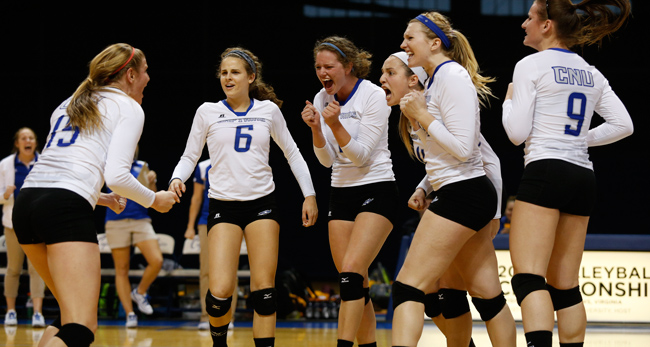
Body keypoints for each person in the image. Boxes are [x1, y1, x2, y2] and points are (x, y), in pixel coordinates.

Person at [11, 43, 178, 347]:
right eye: (145, 71)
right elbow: (117, 176)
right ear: (130, 75)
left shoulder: (69, 102)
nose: (148, 77)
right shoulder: (128, 107)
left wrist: (101, 197)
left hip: (27, 204)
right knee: (81, 327)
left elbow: (60, 169)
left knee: (67, 316)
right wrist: (156, 200)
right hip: (63, 208)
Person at [502, 1, 633, 346]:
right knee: (565, 284)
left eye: (530, 17)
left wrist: (507, 102)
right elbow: (624, 125)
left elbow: (516, 133)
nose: (523, 24)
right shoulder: (591, 71)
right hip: (582, 175)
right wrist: (578, 140)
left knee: (529, 278)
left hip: (545, 169)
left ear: (547, 26)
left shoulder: (530, 65)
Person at [169, 47, 317, 347]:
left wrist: (309, 194)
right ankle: (219, 343)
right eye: (223, 72)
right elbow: (189, 155)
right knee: (220, 292)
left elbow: (293, 153)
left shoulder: (268, 111)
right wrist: (176, 178)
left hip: (262, 204)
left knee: (264, 293)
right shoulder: (207, 111)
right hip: (224, 206)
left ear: (251, 77)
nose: (227, 77)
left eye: (234, 72)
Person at [390, 11, 514, 346]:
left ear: (434, 42)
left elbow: (463, 149)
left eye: (409, 37)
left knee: (408, 287)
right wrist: (423, 185)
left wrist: (422, 116)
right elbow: (446, 153)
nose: (403, 44)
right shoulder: (436, 81)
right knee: (487, 296)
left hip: (464, 192)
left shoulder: (452, 77)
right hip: (462, 190)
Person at [301, 36, 397, 347]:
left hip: (377, 186)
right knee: (353, 283)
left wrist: (336, 124)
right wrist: (317, 129)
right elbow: (327, 160)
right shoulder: (321, 98)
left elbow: (363, 155)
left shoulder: (373, 95)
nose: (322, 72)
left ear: (349, 66)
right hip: (341, 190)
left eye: (329, 66)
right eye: (318, 67)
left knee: (353, 272)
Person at [104, 149, 164, 328]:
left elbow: (152, 195)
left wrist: (152, 182)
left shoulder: (142, 166)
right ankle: (130, 314)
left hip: (140, 219)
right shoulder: (110, 164)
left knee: (157, 260)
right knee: (121, 269)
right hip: (115, 220)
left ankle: (140, 292)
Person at [0, 127, 46, 328]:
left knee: (37, 269)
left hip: (37, 224)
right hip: (12, 225)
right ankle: (11, 311)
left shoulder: (45, 162)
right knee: (13, 269)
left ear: (35, 142)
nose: (28, 141)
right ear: (17, 143)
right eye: (23, 138)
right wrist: (5, 194)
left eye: (31, 138)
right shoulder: (5, 165)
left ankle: (37, 313)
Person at [184, 159, 237, 331]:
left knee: (230, 271)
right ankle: (205, 315)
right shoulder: (202, 167)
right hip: (206, 221)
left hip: (231, 220)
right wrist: (190, 226)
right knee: (206, 270)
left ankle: (229, 316)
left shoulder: (235, 160)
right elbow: (196, 197)